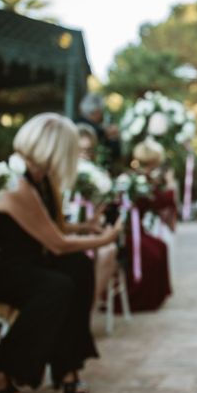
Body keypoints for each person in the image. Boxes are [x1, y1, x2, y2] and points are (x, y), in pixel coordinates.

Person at [0, 113, 121, 393]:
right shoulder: (17, 184)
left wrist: (85, 228)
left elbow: (48, 229)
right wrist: (108, 238)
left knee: (79, 267)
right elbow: (57, 244)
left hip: (30, 261)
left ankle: (67, 367)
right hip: (3, 270)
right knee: (57, 286)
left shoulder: (41, 179)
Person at [117, 138, 174, 312]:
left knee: (160, 246)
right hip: (126, 231)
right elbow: (161, 201)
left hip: (137, 230)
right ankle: (138, 298)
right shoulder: (133, 179)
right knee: (152, 253)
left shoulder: (144, 179)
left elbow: (158, 202)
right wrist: (170, 184)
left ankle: (155, 297)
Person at [77, 124, 119, 305]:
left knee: (107, 251)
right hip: (69, 229)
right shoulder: (58, 173)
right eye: (79, 150)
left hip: (93, 227)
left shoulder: (100, 175)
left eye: (88, 150)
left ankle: (88, 307)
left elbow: (108, 213)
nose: (84, 154)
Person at [76, 93, 121, 171]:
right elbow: (114, 155)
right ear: (97, 111)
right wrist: (113, 137)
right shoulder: (99, 131)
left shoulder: (74, 123)